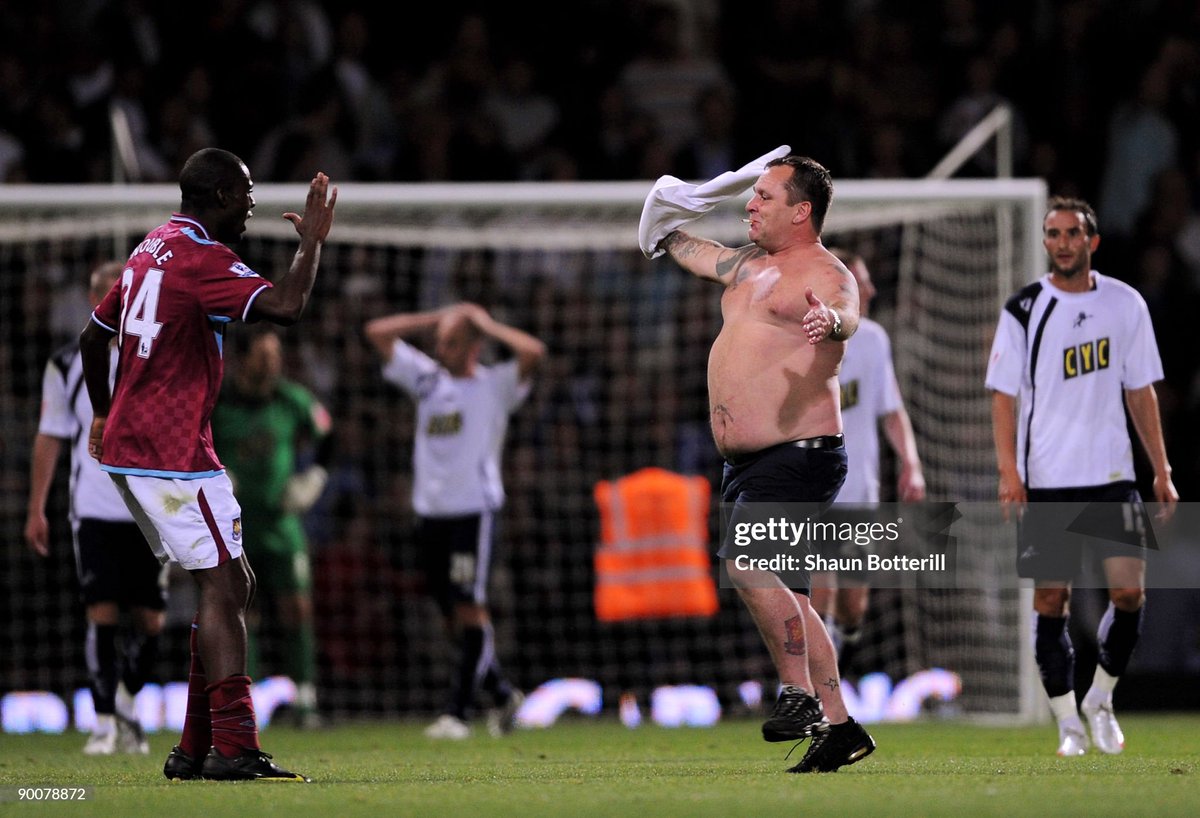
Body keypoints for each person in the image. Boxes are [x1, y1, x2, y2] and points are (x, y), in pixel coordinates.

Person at [79, 147, 337, 781]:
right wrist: (313, 245)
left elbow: (93, 336)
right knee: (224, 587)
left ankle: (194, 748)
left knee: (231, 583)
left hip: (139, 448)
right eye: (245, 194)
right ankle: (234, 746)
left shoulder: (151, 247)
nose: (251, 205)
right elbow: (288, 307)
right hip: (172, 453)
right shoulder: (202, 258)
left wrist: (101, 416)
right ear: (220, 195)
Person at [643, 152, 876, 773]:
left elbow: (847, 314)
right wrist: (660, 218)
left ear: (801, 211)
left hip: (799, 455)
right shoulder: (748, 267)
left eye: (764, 196)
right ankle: (842, 728)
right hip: (750, 464)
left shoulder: (825, 274)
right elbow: (675, 243)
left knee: (744, 561)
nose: (750, 204)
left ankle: (798, 695)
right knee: (793, 599)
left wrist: (832, 322)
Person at [986, 196, 1178, 757]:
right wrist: (1009, 471)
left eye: (1072, 233)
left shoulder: (1126, 304)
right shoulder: (1023, 309)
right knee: (1051, 601)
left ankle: (1101, 697)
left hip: (1113, 475)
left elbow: (1139, 389)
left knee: (1129, 593)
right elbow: (1003, 396)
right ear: (1045, 241)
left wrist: (1160, 468)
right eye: (1053, 233)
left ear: (1091, 242)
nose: (1062, 242)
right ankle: (1068, 720)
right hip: (1047, 478)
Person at [364, 302, 544, 739]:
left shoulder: (494, 386)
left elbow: (533, 352)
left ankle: (457, 714)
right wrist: (435, 317)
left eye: (451, 341)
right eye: (439, 341)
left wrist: (486, 323)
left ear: (473, 346)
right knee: (452, 619)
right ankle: (502, 695)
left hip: (472, 512)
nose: (440, 347)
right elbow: (377, 332)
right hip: (430, 514)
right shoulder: (427, 380)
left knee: (469, 608)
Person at [25, 260, 166, 756]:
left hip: (149, 510)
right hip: (94, 509)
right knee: (102, 612)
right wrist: (36, 507)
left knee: (152, 621)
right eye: (111, 294)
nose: (121, 304)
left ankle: (126, 703)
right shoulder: (67, 364)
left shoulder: (154, 357)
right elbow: (51, 436)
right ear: (94, 301)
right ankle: (104, 721)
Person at [211, 326, 333, 729]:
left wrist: (312, 477)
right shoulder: (218, 404)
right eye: (265, 356)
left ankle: (306, 697)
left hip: (283, 525)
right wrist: (216, 474)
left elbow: (328, 434)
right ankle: (254, 697)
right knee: (243, 613)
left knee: (297, 608)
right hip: (236, 528)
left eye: (276, 355)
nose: (273, 364)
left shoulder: (291, 399)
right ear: (243, 360)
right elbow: (192, 442)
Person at [813, 248, 926, 663]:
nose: (872, 289)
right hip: (817, 490)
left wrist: (911, 464)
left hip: (861, 490)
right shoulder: (803, 340)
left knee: (853, 606)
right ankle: (817, 693)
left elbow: (892, 412)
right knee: (820, 593)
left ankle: (836, 652)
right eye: (862, 281)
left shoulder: (875, 340)